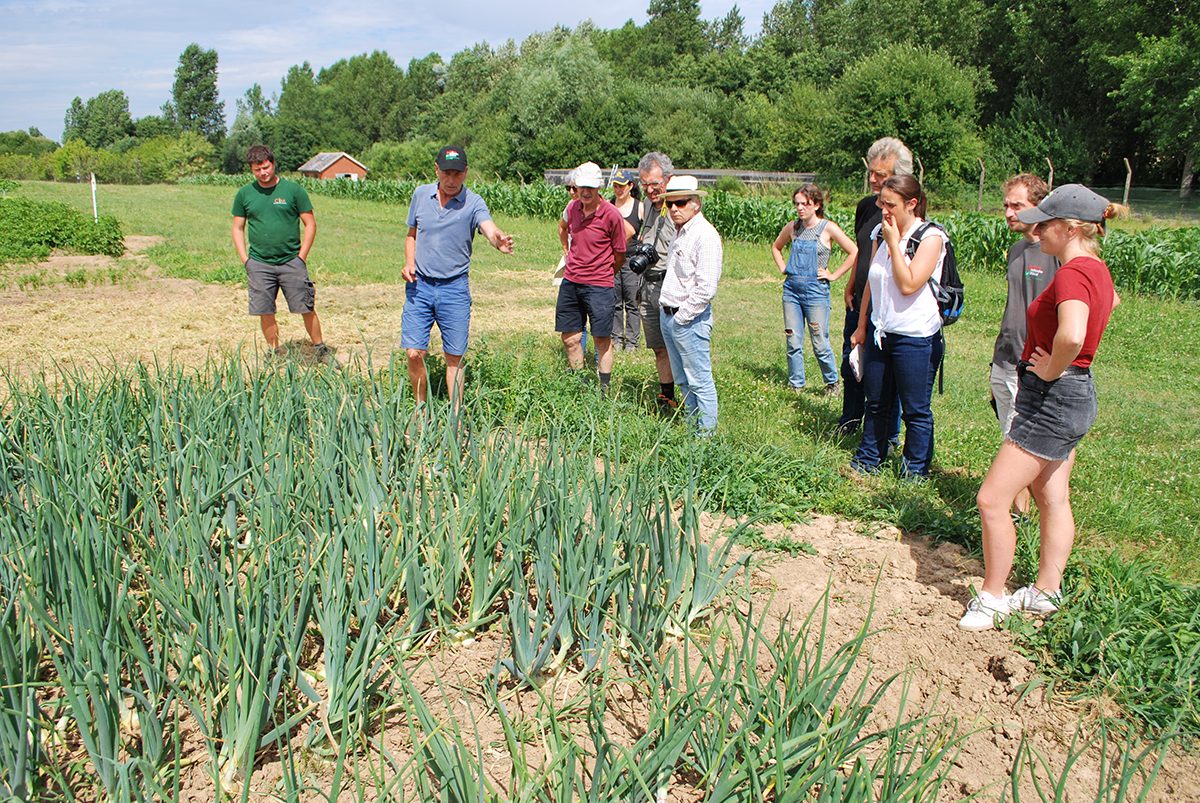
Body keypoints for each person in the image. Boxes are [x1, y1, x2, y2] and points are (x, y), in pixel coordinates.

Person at [960, 185, 1124, 631]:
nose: (1037, 228)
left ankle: (993, 596)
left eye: (1046, 222)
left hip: (1053, 397)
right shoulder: (1096, 270)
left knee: (992, 499)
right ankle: (1046, 590)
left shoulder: (1071, 273)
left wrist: (1049, 369)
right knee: (1052, 496)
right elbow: (1104, 308)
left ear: (1071, 228)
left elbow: (1071, 334)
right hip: (1077, 393)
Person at [850, 174, 947, 478]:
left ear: (912, 203)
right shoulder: (883, 230)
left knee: (915, 409)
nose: (883, 210)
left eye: (890, 204)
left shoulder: (930, 238)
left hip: (915, 337)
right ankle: (868, 459)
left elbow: (908, 284)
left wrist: (894, 243)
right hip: (881, 332)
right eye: (881, 203)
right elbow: (872, 282)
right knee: (876, 401)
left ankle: (914, 470)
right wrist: (862, 323)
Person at [402, 145, 514, 406]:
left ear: (466, 172)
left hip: (454, 289)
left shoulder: (473, 202)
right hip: (420, 287)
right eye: (446, 173)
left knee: (454, 357)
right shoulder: (420, 195)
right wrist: (409, 262)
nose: (451, 180)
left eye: (457, 174)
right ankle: (420, 409)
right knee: (414, 353)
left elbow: (488, 227)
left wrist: (497, 239)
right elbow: (411, 235)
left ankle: (456, 417)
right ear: (436, 170)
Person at [991, 174, 1058, 515]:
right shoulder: (1017, 250)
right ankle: (1021, 516)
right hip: (1005, 359)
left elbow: (1102, 302)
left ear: (1039, 207)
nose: (1008, 212)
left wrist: (1058, 355)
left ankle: (1021, 520)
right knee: (1010, 437)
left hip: (1033, 367)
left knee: (1021, 447)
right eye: (1006, 205)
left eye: (1017, 205)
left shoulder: (1056, 253)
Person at [837, 138, 913, 437]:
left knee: (883, 374)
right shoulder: (867, 206)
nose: (872, 179)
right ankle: (850, 421)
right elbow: (862, 248)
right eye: (871, 172)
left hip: (887, 304)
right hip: (859, 300)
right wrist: (852, 281)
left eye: (880, 175)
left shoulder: (906, 214)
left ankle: (886, 433)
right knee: (852, 363)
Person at [231, 144, 329, 361]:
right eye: (257, 170)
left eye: (265, 167)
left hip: (290, 262)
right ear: (251, 170)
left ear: (273, 164)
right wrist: (246, 260)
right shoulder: (245, 194)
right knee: (265, 310)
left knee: (306, 306)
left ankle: (320, 349)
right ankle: (275, 352)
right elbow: (237, 228)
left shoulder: (293, 191)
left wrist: (301, 256)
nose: (262, 173)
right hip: (259, 264)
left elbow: (310, 224)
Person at [770, 183, 857, 394]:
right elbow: (776, 247)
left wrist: (833, 275)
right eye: (797, 204)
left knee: (819, 341)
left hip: (816, 293)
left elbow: (854, 251)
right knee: (793, 340)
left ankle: (832, 382)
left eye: (805, 204)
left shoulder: (827, 228)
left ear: (816, 205)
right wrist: (784, 267)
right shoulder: (793, 228)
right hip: (792, 291)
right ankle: (796, 384)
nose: (800, 208)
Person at [658, 176, 722, 435]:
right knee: (683, 379)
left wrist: (682, 317)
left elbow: (706, 288)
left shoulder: (704, 236)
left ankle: (705, 438)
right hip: (669, 315)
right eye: (670, 203)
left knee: (699, 380)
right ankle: (692, 427)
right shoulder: (679, 231)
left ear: (696, 203)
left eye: (681, 202)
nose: (674, 209)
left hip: (688, 319)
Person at [556, 161, 627, 391]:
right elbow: (562, 227)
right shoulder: (572, 208)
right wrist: (567, 252)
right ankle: (579, 386)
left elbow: (620, 254)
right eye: (581, 187)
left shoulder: (611, 215)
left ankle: (604, 389)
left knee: (601, 339)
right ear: (575, 187)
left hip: (599, 285)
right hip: (571, 281)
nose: (585, 192)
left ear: (599, 188)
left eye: (590, 188)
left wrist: (604, 272)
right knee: (570, 337)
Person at [635, 152, 679, 411]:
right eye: (645, 184)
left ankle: (691, 399)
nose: (650, 189)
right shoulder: (650, 204)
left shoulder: (678, 205)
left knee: (676, 345)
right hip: (648, 283)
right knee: (658, 347)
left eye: (654, 184)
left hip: (669, 284)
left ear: (668, 178)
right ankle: (667, 397)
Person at [611, 169, 643, 351]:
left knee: (632, 302)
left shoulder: (639, 207)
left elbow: (646, 232)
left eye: (622, 186)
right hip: (613, 260)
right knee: (615, 301)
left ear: (630, 186)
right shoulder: (609, 205)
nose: (618, 189)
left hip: (631, 260)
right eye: (616, 186)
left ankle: (632, 343)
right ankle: (616, 339)